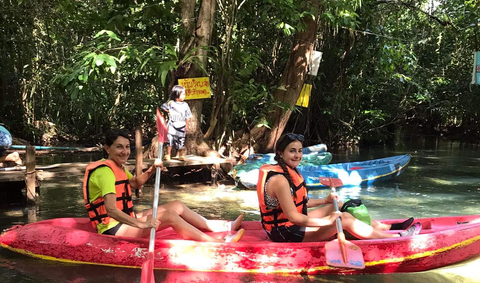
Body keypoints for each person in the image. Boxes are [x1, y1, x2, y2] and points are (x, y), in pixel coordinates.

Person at [83, 129, 244, 242]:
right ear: (107, 148)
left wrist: (152, 169)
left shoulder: (117, 166)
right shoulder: (104, 172)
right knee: (169, 216)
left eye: (126, 147)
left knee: (177, 205)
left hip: (126, 219)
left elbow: (135, 183)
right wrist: (142, 224)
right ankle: (216, 242)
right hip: (113, 228)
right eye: (119, 147)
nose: (125, 152)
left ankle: (224, 226)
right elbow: (111, 210)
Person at [256, 133, 421, 243]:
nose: (298, 155)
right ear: (280, 152)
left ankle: (388, 227)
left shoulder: (290, 170)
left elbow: (300, 202)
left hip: (293, 224)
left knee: (341, 206)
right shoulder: (279, 180)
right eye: (292, 151)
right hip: (284, 232)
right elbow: (294, 217)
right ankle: (395, 238)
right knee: (344, 219)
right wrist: (327, 221)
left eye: (299, 151)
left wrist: (325, 200)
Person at [160, 85, 192, 161]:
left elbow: (188, 116)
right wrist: (169, 111)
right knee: (169, 140)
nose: (184, 96)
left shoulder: (185, 105)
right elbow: (163, 107)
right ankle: (168, 154)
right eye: (183, 94)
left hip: (181, 125)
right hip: (171, 125)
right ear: (177, 94)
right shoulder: (171, 102)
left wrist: (186, 126)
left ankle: (180, 155)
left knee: (181, 140)